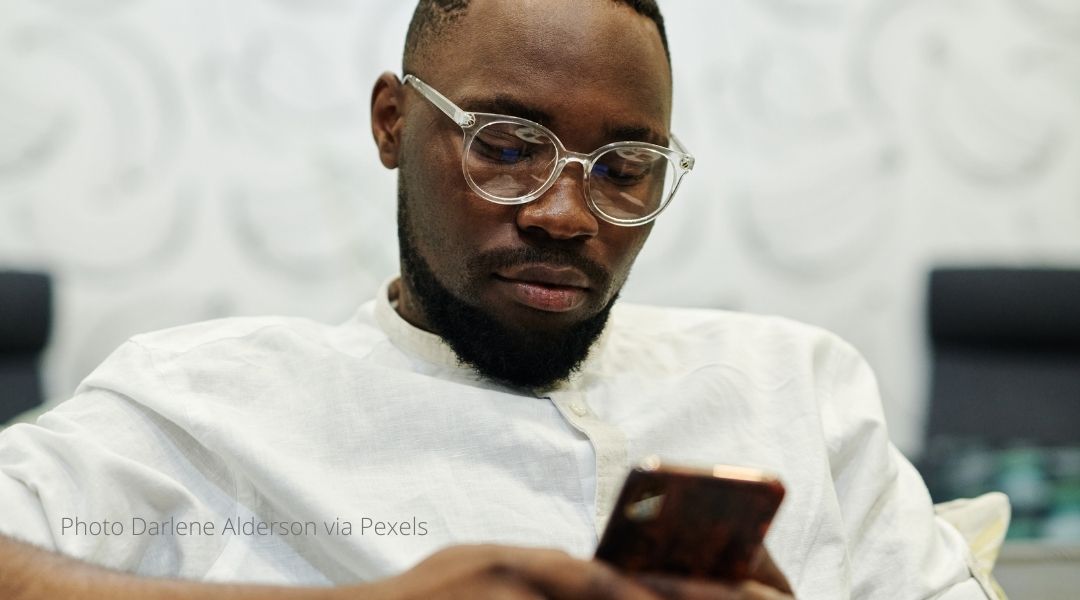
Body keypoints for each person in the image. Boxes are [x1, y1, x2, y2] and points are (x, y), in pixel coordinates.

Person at [0, 0, 993, 598]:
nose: (567, 213)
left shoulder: (798, 385)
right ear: (393, 123)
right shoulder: (202, 404)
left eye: (624, 168)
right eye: (508, 148)